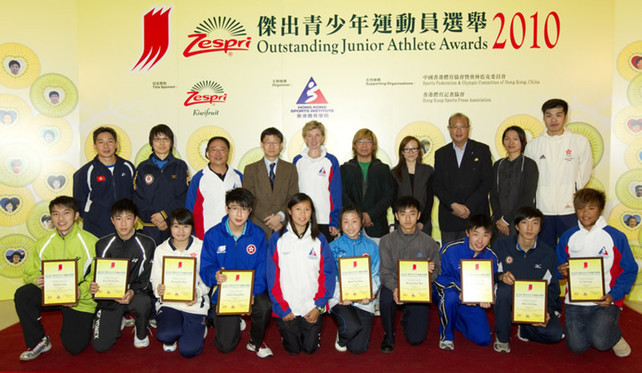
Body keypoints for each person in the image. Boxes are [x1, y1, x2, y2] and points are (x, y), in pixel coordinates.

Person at [14, 196, 97, 361]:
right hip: (51, 293)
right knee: (24, 294)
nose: (61, 219)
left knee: (75, 347)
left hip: (79, 298)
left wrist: (81, 291)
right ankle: (39, 340)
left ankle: (92, 320)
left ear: (76, 216)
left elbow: (95, 277)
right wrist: (35, 279)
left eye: (66, 213)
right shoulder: (43, 243)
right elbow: (29, 272)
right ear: (51, 217)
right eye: (56, 214)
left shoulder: (91, 242)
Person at [557, 188, 638, 357]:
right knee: (577, 347)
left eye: (591, 208)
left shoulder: (615, 236)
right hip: (575, 302)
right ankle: (597, 328)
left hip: (605, 301)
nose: (585, 213)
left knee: (601, 342)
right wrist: (561, 271)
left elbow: (629, 269)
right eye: (580, 208)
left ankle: (614, 336)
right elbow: (558, 268)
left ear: (600, 210)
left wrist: (614, 295)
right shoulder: (568, 236)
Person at [200, 188, 273, 358]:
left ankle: (255, 340)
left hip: (251, 290)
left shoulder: (258, 234)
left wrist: (251, 293)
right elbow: (205, 267)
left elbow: (262, 269)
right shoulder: (213, 235)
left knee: (265, 306)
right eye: (234, 208)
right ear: (227, 209)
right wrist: (214, 275)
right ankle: (232, 322)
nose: (239, 214)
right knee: (226, 346)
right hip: (224, 292)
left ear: (250, 211)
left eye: (244, 209)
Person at [266, 193, 336, 355]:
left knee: (310, 348)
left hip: (311, 307)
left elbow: (328, 274)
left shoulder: (320, 239)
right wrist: (281, 307)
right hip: (286, 307)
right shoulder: (278, 239)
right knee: (293, 350)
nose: (303, 214)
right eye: (298, 209)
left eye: (307, 209)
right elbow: (272, 276)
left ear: (312, 212)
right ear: (289, 211)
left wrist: (319, 306)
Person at [492, 206, 563, 353]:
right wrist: (500, 276)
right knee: (504, 290)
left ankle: (524, 329)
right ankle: (502, 337)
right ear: (517, 226)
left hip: (532, 304)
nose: (530, 228)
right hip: (507, 299)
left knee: (555, 334)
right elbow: (489, 275)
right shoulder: (501, 245)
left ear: (540, 228)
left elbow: (552, 288)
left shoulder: (548, 253)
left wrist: (545, 310)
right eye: (525, 223)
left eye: (535, 223)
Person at [524, 99, 592, 250]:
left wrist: (573, 192)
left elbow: (584, 172)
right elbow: (529, 178)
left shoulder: (579, 142)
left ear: (566, 117)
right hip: (542, 209)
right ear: (543, 118)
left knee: (572, 250)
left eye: (558, 115)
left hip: (570, 209)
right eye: (549, 115)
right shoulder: (534, 145)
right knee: (545, 252)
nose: (553, 120)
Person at [91, 199, 155, 351]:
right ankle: (116, 319)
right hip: (110, 297)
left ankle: (141, 332)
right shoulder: (103, 244)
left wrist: (132, 291)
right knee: (100, 347)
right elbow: (99, 276)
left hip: (136, 294)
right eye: (119, 219)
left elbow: (147, 278)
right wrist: (96, 286)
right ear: (112, 220)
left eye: (128, 218)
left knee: (144, 302)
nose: (123, 224)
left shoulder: (147, 244)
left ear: (136, 220)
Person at [379, 196, 441, 353]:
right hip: (395, 286)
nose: (408, 218)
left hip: (418, 290)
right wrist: (394, 288)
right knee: (386, 298)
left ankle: (406, 316)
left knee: (416, 340)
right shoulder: (386, 241)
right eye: (403, 214)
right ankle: (389, 334)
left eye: (412, 214)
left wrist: (427, 274)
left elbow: (437, 271)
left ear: (419, 215)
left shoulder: (429, 242)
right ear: (396, 216)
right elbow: (385, 272)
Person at [150, 208, 210, 358]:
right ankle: (174, 330)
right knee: (166, 335)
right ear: (170, 227)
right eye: (176, 226)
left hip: (194, 303)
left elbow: (207, 277)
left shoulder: (202, 247)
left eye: (186, 226)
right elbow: (155, 277)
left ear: (192, 227)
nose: (181, 231)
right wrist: (159, 289)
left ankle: (198, 327)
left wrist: (198, 292)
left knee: (189, 351)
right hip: (170, 302)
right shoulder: (161, 250)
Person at [434, 214, 497, 350]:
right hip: (448, 292)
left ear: (491, 236)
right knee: (450, 296)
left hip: (473, 300)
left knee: (483, 339)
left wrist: (486, 297)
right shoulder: (450, 249)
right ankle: (447, 335)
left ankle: (454, 318)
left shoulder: (491, 257)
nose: (480, 240)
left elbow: (491, 285)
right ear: (467, 233)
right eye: (476, 234)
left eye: (485, 235)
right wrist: (462, 289)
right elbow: (437, 278)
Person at [433, 113, 492, 245]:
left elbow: (487, 182)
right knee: (451, 260)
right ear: (448, 129)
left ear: (469, 128)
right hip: (450, 217)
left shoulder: (482, 150)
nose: (458, 131)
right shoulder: (441, 153)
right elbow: (437, 185)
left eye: (462, 126)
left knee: (476, 261)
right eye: (455, 127)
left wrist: (467, 207)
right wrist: (453, 205)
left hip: (476, 217)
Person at [328, 205, 380, 353]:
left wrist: (370, 293)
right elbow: (329, 276)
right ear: (340, 224)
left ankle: (348, 328)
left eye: (354, 221)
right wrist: (341, 295)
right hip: (341, 299)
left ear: (361, 222)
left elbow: (376, 274)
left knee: (358, 349)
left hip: (364, 300)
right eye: (345, 222)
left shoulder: (372, 247)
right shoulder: (332, 247)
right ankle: (343, 333)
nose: (350, 226)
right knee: (351, 328)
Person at [74, 126, 135, 238]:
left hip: (124, 230)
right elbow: (79, 204)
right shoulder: (85, 172)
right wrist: (95, 217)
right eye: (101, 142)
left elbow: (134, 197)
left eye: (110, 141)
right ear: (95, 146)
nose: (106, 146)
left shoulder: (128, 167)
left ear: (116, 144)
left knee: (123, 256)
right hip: (96, 231)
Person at [134, 124, 190, 245]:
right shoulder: (143, 167)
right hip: (150, 226)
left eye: (165, 139)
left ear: (171, 142)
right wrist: (155, 219)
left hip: (173, 226)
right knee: (151, 261)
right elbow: (137, 197)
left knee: (171, 261)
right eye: (157, 139)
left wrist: (165, 215)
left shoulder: (180, 166)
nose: (162, 143)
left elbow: (184, 196)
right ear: (151, 143)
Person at [243, 127, 299, 239]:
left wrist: (280, 216)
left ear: (281, 145)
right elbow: (249, 198)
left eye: (275, 142)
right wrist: (270, 220)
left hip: (283, 225)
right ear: (261, 144)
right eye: (268, 142)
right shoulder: (250, 169)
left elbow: (293, 197)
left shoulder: (290, 169)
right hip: (258, 225)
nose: (271, 146)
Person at [341, 129, 394, 243]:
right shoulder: (345, 169)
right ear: (354, 145)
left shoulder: (383, 169)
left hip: (377, 225)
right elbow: (343, 194)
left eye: (368, 141)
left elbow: (388, 196)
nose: (364, 145)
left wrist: (370, 215)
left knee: (377, 260)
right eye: (360, 141)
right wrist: (359, 216)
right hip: (351, 227)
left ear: (373, 146)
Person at [293, 120, 342, 241]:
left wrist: (334, 221)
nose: (313, 139)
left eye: (317, 135)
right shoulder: (297, 161)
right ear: (304, 138)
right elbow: (292, 192)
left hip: (325, 220)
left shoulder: (331, 161)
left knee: (324, 258)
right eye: (309, 135)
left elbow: (336, 193)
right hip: (302, 219)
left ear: (323, 138)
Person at [185, 136, 242, 239]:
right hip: (206, 238)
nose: (218, 154)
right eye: (214, 149)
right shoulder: (198, 179)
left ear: (228, 152)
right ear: (207, 153)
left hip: (234, 237)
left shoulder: (238, 177)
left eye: (222, 149)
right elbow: (190, 210)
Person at [490, 126, 539, 237]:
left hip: (521, 221)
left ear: (522, 141)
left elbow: (527, 197)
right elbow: (493, 195)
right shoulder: (498, 165)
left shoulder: (529, 165)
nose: (511, 142)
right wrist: (500, 219)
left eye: (515, 139)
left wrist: (506, 220)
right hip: (499, 223)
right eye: (507, 138)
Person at [391, 135, 434, 236]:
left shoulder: (428, 171)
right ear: (402, 152)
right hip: (402, 223)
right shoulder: (394, 173)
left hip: (423, 223)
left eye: (414, 149)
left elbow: (429, 200)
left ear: (419, 151)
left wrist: (421, 221)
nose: (411, 152)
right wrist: (403, 220)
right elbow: (393, 201)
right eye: (407, 149)